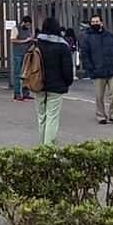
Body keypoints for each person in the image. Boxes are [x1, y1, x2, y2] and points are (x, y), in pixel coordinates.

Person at [34, 17, 75, 145]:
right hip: (56, 86)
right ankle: (48, 148)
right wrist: (67, 82)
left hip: (38, 84)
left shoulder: (37, 43)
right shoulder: (62, 46)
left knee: (41, 117)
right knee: (52, 117)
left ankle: (41, 146)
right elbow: (67, 69)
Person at [80, 14, 113, 125]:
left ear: (102, 23)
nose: (95, 23)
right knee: (99, 96)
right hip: (97, 71)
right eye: (93, 22)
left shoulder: (110, 36)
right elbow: (85, 55)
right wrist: (91, 69)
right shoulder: (87, 38)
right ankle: (101, 116)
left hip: (112, 70)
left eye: (97, 21)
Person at [12, 16, 35, 101]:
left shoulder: (29, 30)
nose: (28, 26)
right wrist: (25, 40)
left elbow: (30, 38)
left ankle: (26, 93)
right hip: (18, 54)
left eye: (29, 25)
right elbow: (13, 40)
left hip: (27, 54)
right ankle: (17, 93)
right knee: (17, 74)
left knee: (27, 74)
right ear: (23, 22)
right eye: (27, 24)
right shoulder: (16, 29)